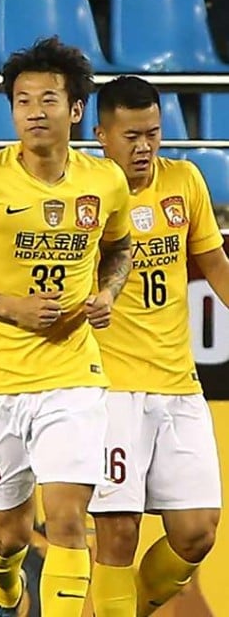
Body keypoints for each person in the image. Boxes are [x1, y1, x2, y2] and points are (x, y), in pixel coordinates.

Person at [0, 37, 133, 617]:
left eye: (48, 99)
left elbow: (120, 247)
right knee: (9, 530)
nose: (35, 111)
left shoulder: (106, 181)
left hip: (73, 374)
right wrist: (9, 307)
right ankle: (2, 572)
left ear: (75, 109)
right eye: (23, 100)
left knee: (66, 519)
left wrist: (106, 292)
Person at [88, 76, 226, 617]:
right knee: (118, 535)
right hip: (110, 387)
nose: (145, 147)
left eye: (153, 134)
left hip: (178, 383)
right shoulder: (84, 193)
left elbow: (213, 264)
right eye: (132, 137)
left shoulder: (185, 181)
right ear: (100, 134)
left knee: (197, 533)